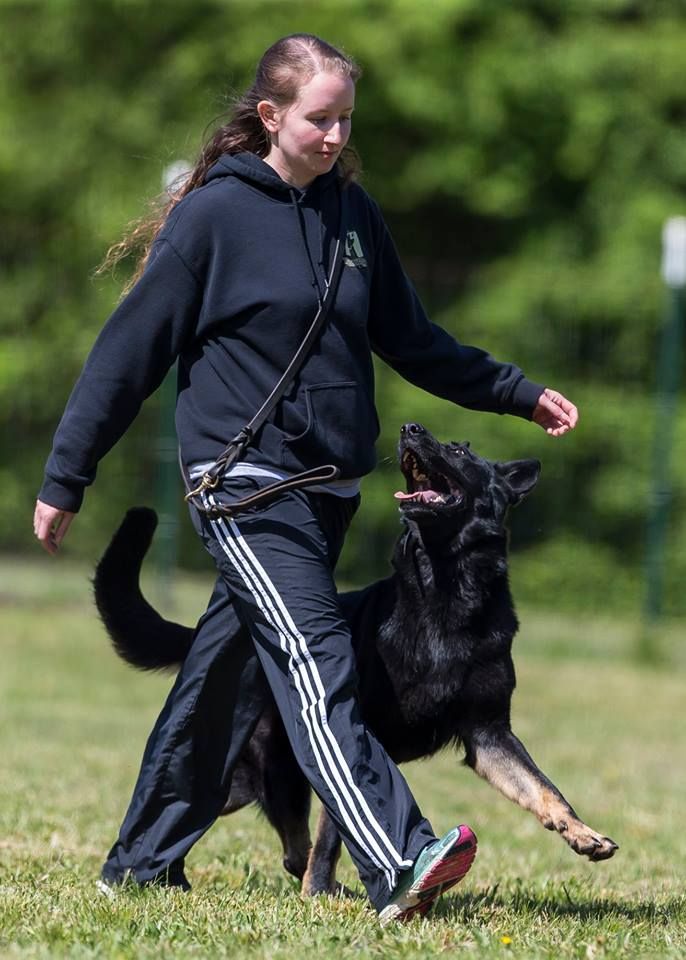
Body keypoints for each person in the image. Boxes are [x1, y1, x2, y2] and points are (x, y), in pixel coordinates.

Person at [34, 34, 578, 923]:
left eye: (344, 119)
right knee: (315, 664)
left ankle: (136, 864)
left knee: (222, 680)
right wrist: (67, 474)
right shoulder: (212, 217)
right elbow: (125, 354)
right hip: (242, 488)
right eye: (319, 119)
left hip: (320, 494)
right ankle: (398, 856)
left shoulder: (353, 218)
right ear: (271, 115)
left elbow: (415, 341)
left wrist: (515, 393)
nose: (334, 137)